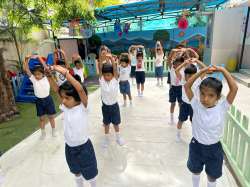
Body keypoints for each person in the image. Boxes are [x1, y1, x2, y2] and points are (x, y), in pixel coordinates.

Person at [184, 65, 238, 187]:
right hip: (196, 146)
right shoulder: (196, 104)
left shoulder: (222, 108)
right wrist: (202, 71)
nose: (205, 99)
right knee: (195, 170)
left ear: (218, 97)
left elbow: (234, 89)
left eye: (211, 95)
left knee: (212, 176)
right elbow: (187, 86)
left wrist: (223, 70)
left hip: (214, 149)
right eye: (202, 94)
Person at [45, 65, 98, 187]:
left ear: (78, 99)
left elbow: (80, 89)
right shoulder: (66, 108)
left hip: (84, 149)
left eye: (67, 98)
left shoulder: (83, 108)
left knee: (91, 173)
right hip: (69, 148)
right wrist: (48, 74)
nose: (63, 101)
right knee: (76, 172)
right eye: (63, 97)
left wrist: (65, 73)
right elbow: (55, 88)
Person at [25, 55, 57, 140]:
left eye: (39, 74)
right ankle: (43, 133)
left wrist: (39, 57)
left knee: (50, 116)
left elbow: (45, 67)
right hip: (39, 101)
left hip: (47, 100)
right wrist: (26, 59)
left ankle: (54, 130)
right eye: (35, 74)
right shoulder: (33, 79)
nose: (36, 76)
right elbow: (27, 70)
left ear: (43, 74)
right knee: (42, 118)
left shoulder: (46, 78)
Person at [174, 58, 207, 143]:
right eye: (186, 75)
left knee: (194, 122)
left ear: (195, 75)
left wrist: (197, 61)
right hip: (184, 104)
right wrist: (184, 63)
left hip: (194, 105)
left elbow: (205, 69)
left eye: (190, 76)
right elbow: (177, 70)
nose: (187, 77)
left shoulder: (198, 79)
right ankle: (178, 135)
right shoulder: (183, 80)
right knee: (180, 120)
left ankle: (194, 137)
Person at [99, 51, 125, 148]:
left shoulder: (115, 80)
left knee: (116, 123)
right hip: (105, 107)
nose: (106, 77)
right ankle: (106, 140)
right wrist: (102, 58)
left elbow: (114, 69)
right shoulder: (102, 81)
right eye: (105, 75)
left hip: (114, 106)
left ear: (112, 75)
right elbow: (100, 69)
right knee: (106, 123)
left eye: (108, 75)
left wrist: (111, 59)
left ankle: (118, 138)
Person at [167, 54, 185, 125]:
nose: (177, 66)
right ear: (173, 64)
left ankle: (181, 118)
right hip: (173, 88)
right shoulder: (172, 68)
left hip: (180, 88)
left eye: (179, 64)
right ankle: (171, 119)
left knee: (180, 104)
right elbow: (168, 60)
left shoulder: (183, 69)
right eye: (175, 64)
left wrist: (184, 52)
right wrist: (173, 52)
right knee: (172, 104)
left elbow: (185, 61)